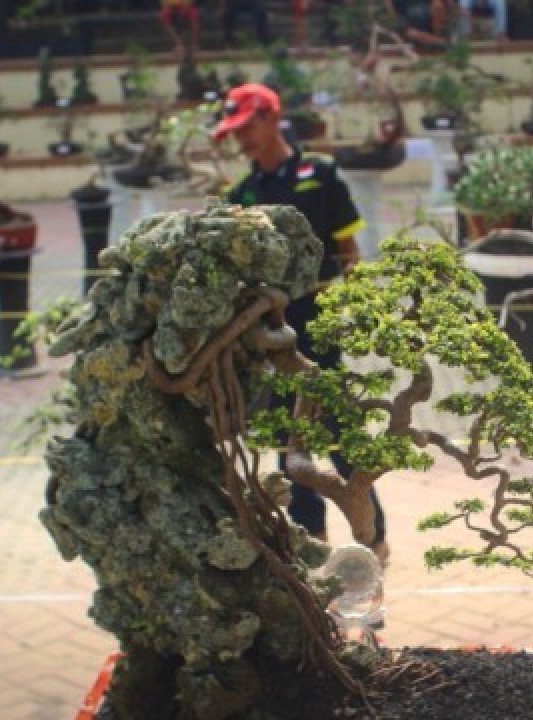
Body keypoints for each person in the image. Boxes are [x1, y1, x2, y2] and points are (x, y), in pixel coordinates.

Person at [213, 84, 389, 563]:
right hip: (273, 336)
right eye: (234, 131)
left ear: (273, 117)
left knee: (343, 436)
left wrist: (349, 311)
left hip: (323, 325)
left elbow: (349, 253)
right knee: (291, 447)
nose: (242, 138)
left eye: (248, 126)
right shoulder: (243, 196)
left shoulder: (320, 174)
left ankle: (373, 542)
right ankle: (311, 550)